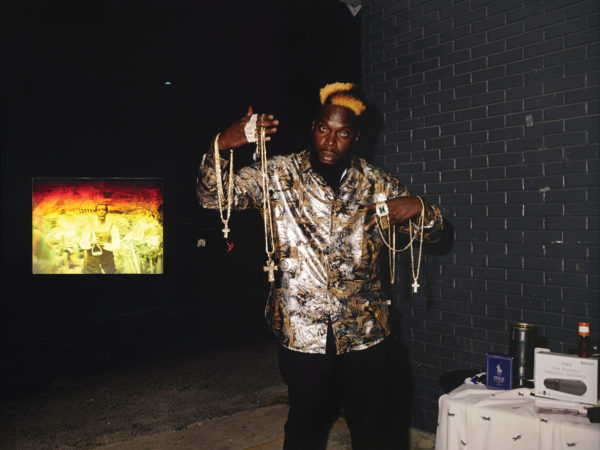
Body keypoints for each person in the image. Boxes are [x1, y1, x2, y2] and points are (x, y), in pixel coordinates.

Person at [197, 82, 443, 449]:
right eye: (324, 129)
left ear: (355, 136)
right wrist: (220, 146)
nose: (330, 141)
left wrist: (421, 208)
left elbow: (434, 235)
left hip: (365, 332)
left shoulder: (377, 183)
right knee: (305, 427)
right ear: (314, 126)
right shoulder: (279, 175)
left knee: (374, 429)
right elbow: (213, 198)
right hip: (301, 331)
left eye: (342, 133)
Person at [79, 203, 120, 274]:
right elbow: (82, 244)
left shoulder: (112, 227)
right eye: (99, 210)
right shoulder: (89, 226)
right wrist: (91, 243)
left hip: (107, 260)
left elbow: (116, 245)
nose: (101, 211)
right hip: (91, 262)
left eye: (103, 210)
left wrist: (104, 245)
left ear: (106, 212)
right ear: (96, 212)